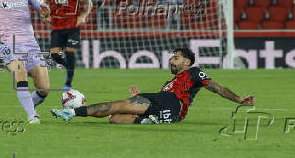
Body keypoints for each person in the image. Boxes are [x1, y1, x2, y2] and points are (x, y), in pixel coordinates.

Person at [51, 48, 255, 124]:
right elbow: (161, 96)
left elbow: (216, 87)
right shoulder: (169, 83)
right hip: (166, 108)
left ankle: (73, 113)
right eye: (172, 58)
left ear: (187, 62)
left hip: (172, 104)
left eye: (176, 58)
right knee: (115, 119)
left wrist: (238, 99)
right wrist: (142, 96)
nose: (172, 61)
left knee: (118, 105)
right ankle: (148, 121)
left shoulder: (194, 72)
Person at [44, 0, 92, 89]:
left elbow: (88, 2)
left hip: (72, 26)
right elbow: (45, 5)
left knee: (70, 52)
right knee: (54, 54)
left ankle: (68, 82)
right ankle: (69, 67)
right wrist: (46, 15)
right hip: (56, 25)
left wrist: (83, 15)